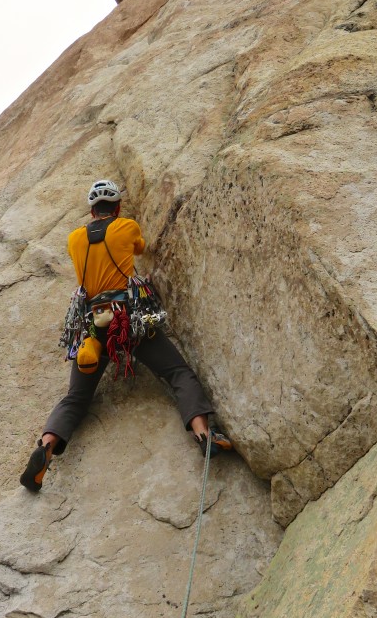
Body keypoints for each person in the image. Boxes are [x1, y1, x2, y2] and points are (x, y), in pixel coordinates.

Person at [20, 178, 231, 492]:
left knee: (75, 398)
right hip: (129, 320)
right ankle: (204, 434)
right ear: (117, 207)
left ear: (92, 211)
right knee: (176, 372)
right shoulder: (127, 227)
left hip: (94, 327)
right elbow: (142, 249)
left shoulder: (74, 239)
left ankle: (46, 447)